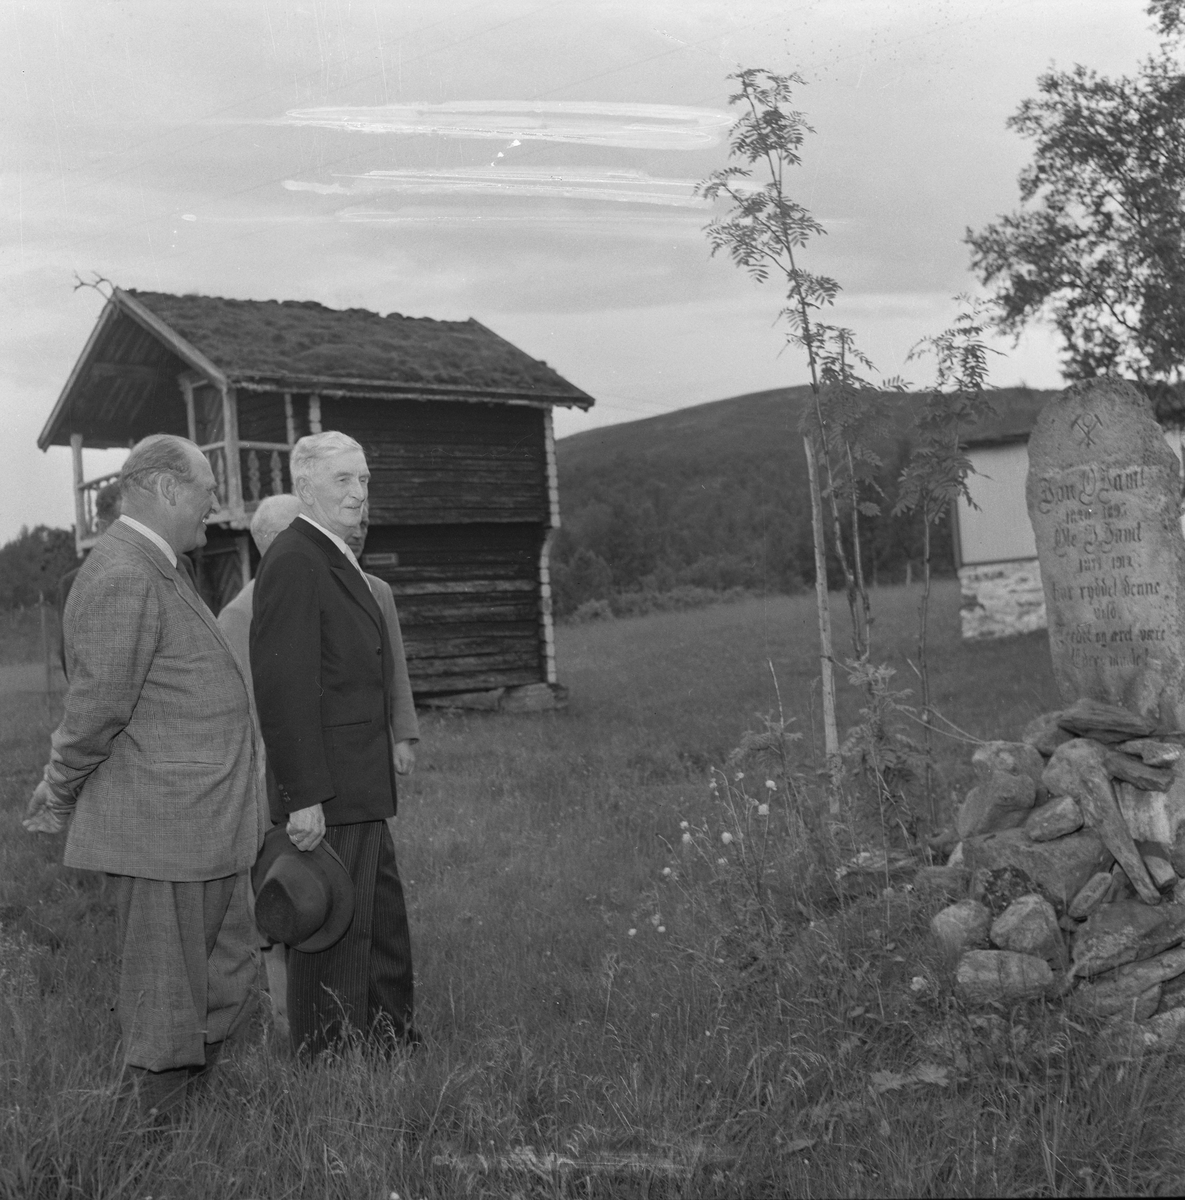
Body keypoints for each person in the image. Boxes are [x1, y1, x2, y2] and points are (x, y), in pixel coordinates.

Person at [23, 434, 267, 1120]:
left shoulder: (159, 566)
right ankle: (148, 1143)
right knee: (165, 996)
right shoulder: (124, 573)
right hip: (160, 831)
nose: (213, 508)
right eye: (205, 492)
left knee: (221, 979)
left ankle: (196, 1122)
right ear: (165, 491)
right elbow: (97, 707)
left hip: (200, 826)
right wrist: (58, 784)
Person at [250, 431, 418, 1056]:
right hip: (328, 794)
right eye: (343, 480)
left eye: (364, 479)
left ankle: (390, 1049)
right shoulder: (295, 558)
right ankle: (328, 1076)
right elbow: (284, 687)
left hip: (362, 784)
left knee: (381, 932)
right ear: (306, 488)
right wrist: (302, 797)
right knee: (333, 934)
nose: (358, 493)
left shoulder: (335, 554)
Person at [216, 492, 302, 1040]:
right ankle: (287, 1024)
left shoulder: (314, 596)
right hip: (273, 784)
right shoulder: (242, 614)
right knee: (280, 903)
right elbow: (242, 713)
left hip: (318, 780)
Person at [56, 480, 122, 678]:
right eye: (126, 527)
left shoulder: (176, 567)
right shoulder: (73, 585)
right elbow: (72, 667)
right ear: (103, 528)